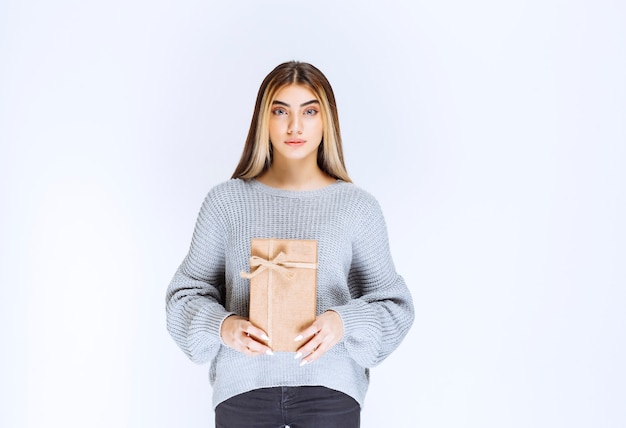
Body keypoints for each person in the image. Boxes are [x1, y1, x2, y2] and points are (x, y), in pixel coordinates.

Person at [166, 61, 414, 428]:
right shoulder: (226, 202)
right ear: (262, 120)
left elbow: (395, 305)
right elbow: (183, 296)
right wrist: (225, 326)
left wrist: (342, 322)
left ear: (326, 120)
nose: (294, 126)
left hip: (330, 391)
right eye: (280, 111)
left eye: (309, 111)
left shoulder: (357, 207)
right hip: (242, 392)